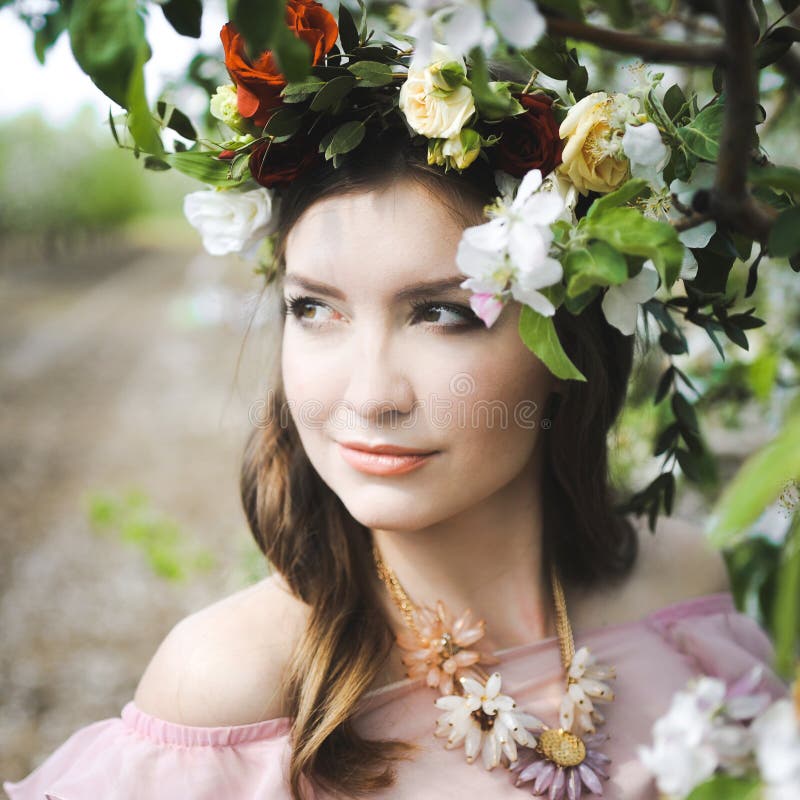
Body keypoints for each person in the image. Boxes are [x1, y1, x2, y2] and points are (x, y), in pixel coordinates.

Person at [2, 130, 790, 800]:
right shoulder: (234, 687)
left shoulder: (681, 589)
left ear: (568, 345)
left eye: (441, 314)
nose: (370, 395)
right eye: (315, 309)